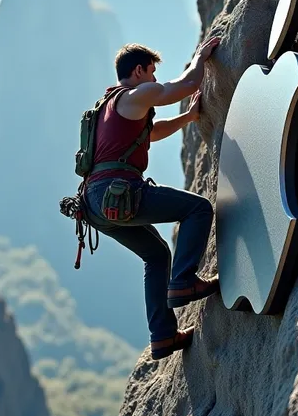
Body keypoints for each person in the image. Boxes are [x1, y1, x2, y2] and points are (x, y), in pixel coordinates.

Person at [83, 36, 221, 361]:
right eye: (153, 73)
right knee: (198, 209)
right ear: (140, 70)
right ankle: (184, 282)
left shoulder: (110, 105)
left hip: (94, 205)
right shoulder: (138, 94)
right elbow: (186, 84)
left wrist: (188, 118)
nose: (156, 81)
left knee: (157, 256)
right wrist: (201, 57)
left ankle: (163, 336)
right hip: (120, 194)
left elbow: (152, 133)